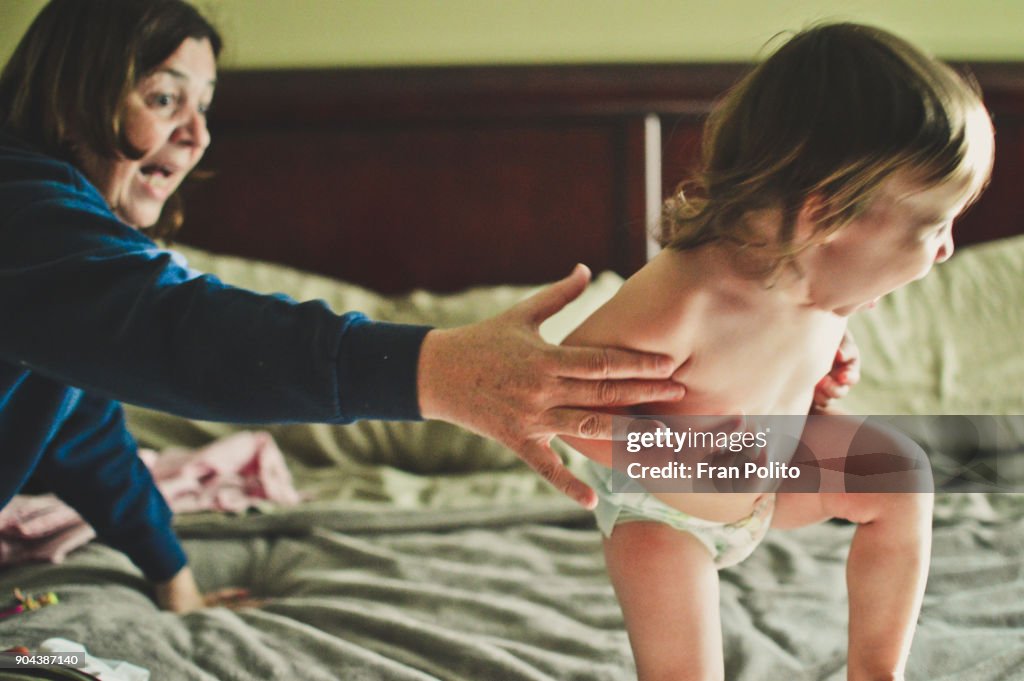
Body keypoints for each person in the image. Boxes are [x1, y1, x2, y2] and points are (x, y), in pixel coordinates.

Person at [0, 0, 703, 613]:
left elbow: (81, 430)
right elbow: (182, 329)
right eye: (163, 99)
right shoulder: (25, 216)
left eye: (205, 107)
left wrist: (172, 577)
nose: (198, 136)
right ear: (73, 97)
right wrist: (439, 370)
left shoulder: (59, 281)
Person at [559, 22, 994, 681]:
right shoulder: (687, 296)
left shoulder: (828, 282)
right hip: (662, 514)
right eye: (935, 225)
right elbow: (560, 403)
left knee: (901, 473)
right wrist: (689, 460)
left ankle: (876, 668)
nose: (946, 250)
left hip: (772, 470)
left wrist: (826, 366)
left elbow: (783, 351)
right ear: (828, 218)